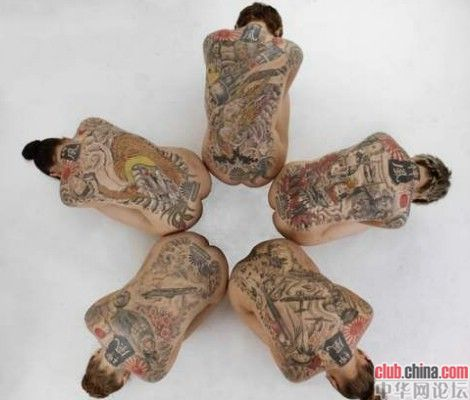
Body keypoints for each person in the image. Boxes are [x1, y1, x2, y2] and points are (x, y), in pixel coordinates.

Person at [82, 232, 228, 398]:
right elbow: (125, 293)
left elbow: (185, 331)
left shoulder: (154, 374)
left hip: (216, 273)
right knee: (139, 281)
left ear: (123, 379)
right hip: (177, 244)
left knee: (204, 309)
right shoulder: (92, 319)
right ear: (94, 356)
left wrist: (214, 298)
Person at [229, 239, 375, 400]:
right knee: (274, 334)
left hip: (277, 248)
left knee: (321, 284)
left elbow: (329, 289)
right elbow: (271, 334)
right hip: (240, 278)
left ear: (366, 357)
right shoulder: (296, 373)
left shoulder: (365, 314)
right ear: (334, 383)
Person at [22, 117, 211, 235]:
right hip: (196, 168)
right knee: (133, 150)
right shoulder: (89, 124)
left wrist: (71, 178)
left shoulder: (69, 192)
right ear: (64, 138)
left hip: (184, 218)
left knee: (99, 202)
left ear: (55, 173)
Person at [269, 132, 451, 245]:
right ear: (421, 197)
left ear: (416, 158)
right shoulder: (399, 216)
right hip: (294, 225)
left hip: (286, 178)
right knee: (357, 221)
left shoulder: (384, 139)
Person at [202, 2, 303, 187]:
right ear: (278, 32)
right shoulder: (292, 50)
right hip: (266, 168)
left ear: (236, 27)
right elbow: (281, 92)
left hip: (214, 164)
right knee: (281, 92)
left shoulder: (211, 40)